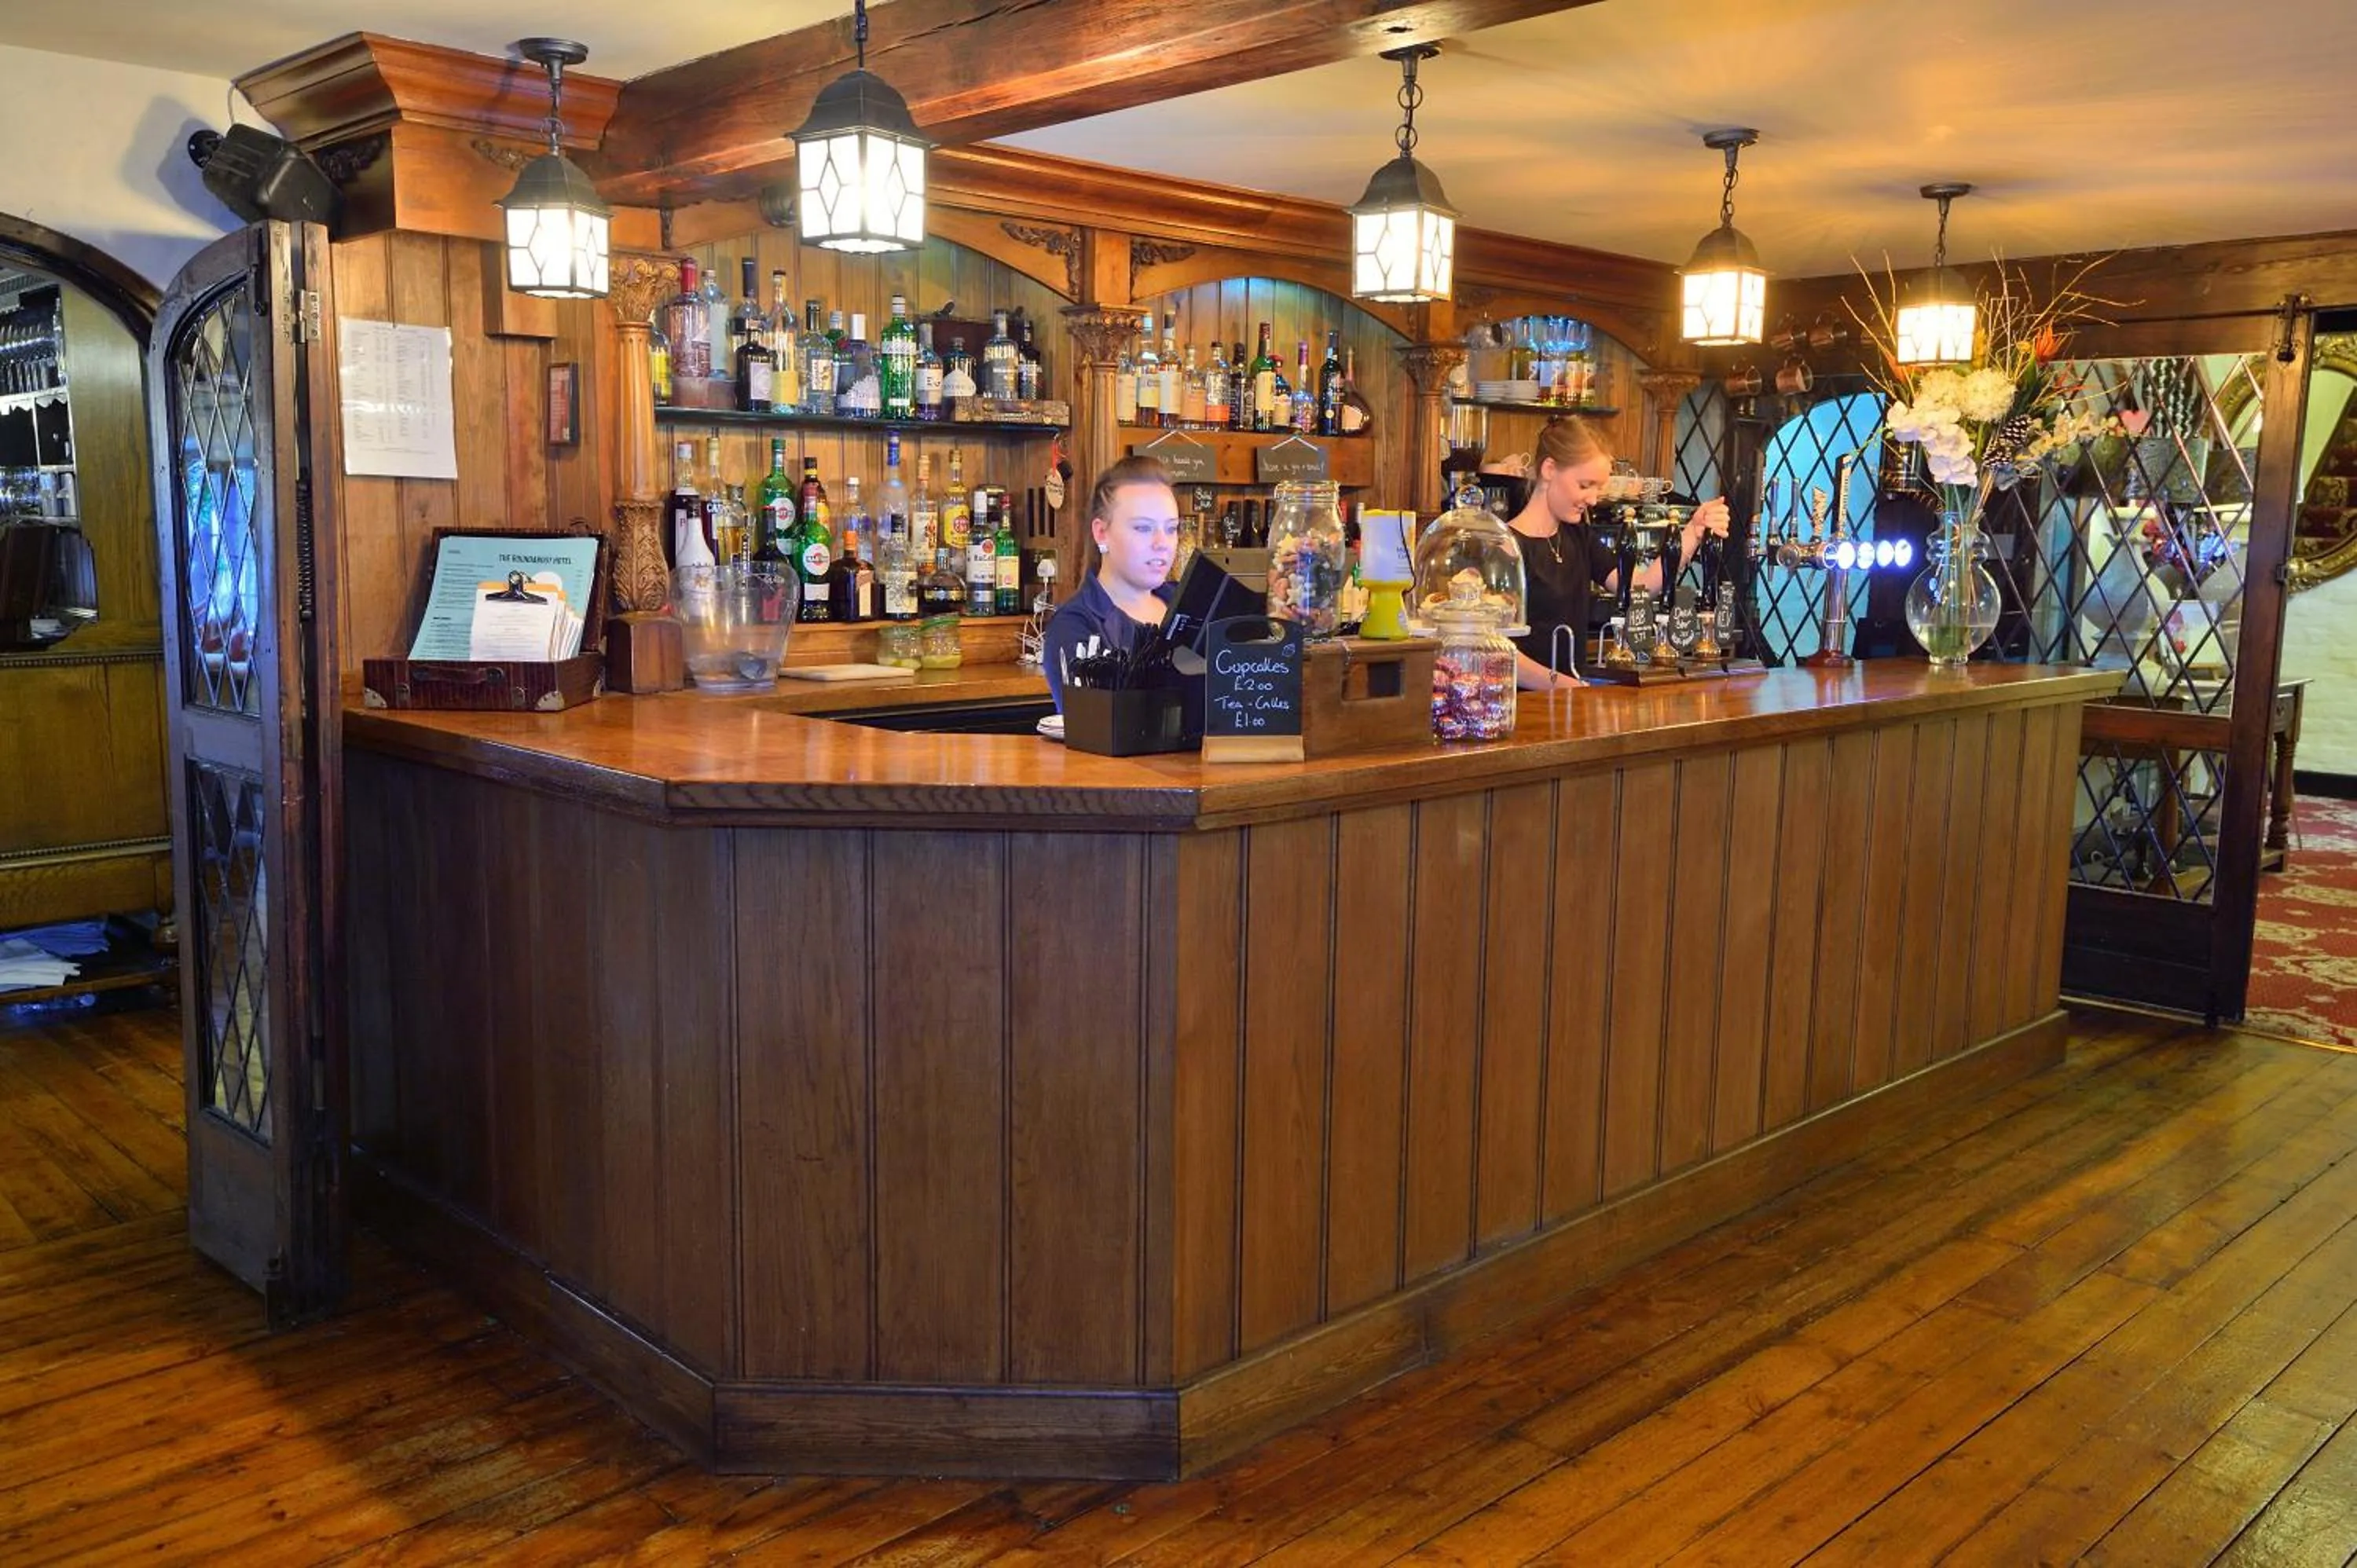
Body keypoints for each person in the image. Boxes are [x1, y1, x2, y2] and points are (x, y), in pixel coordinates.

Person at [1504, 416, 1730, 690]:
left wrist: (1692, 532)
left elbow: (1640, 590)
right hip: (1523, 709)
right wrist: (1567, 687)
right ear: (1550, 469)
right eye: (1585, 485)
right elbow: (1497, 650)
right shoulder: (1505, 548)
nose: (1593, 499)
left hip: (1570, 704)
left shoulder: (1579, 537)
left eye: (1599, 488)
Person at [1042, 455, 1182, 711]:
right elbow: (1098, 731)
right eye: (1143, 528)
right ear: (1101, 532)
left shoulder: (1189, 604)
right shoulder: (1074, 626)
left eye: (1171, 529)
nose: (1162, 543)